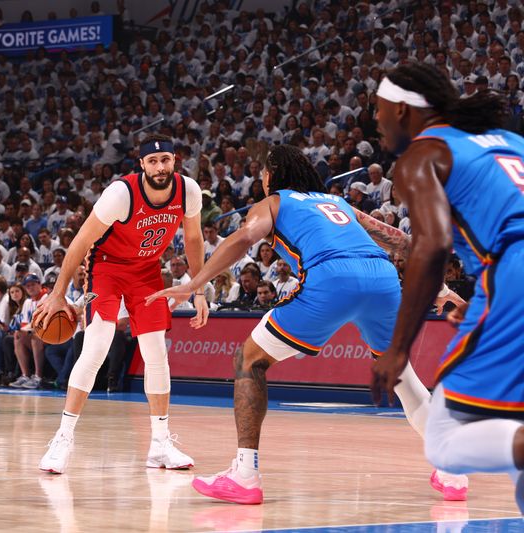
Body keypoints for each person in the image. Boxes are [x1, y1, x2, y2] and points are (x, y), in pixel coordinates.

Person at [148, 145, 464, 505]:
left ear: (272, 175)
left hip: (331, 278)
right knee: (404, 378)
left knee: (250, 360)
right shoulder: (338, 204)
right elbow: (400, 240)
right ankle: (452, 469)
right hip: (383, 278)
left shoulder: (274, 203)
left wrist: (196, 282)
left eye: (264, 173)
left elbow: (244, 238)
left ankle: (245, 475)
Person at [370, 63, 524, 512]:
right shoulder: (511, 142)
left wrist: (397, 349)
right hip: (506, 283)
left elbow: (432, 246)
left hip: (514, 271)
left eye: (378, 111)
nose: (375, 122)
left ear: (401, 110)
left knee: (444, 440)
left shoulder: (421, 155)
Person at [34, 133, 209, 474]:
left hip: (146, 272)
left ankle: (160, 444)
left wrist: (199, 289)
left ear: (175, 160)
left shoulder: (188, 190)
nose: (161, 166)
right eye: (153, 161)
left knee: (157, 352)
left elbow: (193, 239)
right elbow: (81, 242)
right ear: (141, 164)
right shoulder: (121, 193)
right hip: (107, 270)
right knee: (96, 347)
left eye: (166, 160)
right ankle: (63, 438)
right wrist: (58, 293)